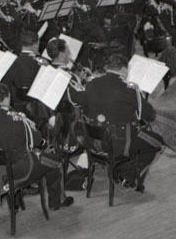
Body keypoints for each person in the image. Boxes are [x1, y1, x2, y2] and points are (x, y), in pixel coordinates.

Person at [0, 82, 72, 210]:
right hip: (19, 170)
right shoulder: (16, 120)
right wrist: (30, 125)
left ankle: (15, 203)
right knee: (56, 162)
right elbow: (37, 141)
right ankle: (58, 201)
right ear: (7, 97)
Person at [70, 53, 164, 189]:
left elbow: (82, 105)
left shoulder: (91, 84)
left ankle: (119, 169)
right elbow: (149, 115)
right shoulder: (130, 88)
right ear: (124, 69)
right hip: (119, 144)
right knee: (158, 142)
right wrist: (140, 97)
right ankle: (128, 176)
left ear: (107, 67)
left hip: (94, 142)